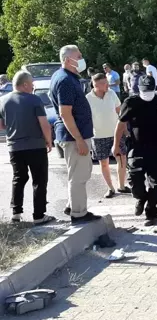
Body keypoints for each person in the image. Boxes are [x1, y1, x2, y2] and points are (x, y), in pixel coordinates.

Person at [50, 45, 102, 223]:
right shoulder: (65, 80)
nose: (81, 59)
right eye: (78, 56)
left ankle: (72, 205)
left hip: (76, 135)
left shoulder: (68, 77)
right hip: (73, 137)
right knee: (78, 177)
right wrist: (79, 139)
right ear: (66, 59)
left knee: (81, 173)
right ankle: (79, 214)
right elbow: (65, 113)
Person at [113, 75, 157, 226]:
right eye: (145, 90)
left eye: (150, 90)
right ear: (138, 89)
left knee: (156, 183)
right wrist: (115, 145)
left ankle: (152, 213)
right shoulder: (131, 102)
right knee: (135, 179)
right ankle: (140, 197)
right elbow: (120, 125)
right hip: (137, 148)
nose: (148, 93)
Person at [0, 71, 56, 224]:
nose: (33, 86)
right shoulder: (34, 100)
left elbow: (1, 125)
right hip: (35, 146)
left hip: (14, 147)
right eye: (31, 83)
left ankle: (16, 213)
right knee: (39, 179)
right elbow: (44, 123)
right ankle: (39, 215)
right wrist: (49, 141)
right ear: (25, 84)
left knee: (19, 178)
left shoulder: (3, 100)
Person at [86, 73, 130, 198]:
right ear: (96, 85)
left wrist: (125, 130)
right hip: (98, 135)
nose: (107, 85)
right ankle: (110, 188)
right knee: (103, 163)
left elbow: (120, 112)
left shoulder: (111, 94)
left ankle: (121, 185)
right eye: (104, 83)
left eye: (107, 82)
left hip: (116, 133)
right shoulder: (88, 98)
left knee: (121, 159)